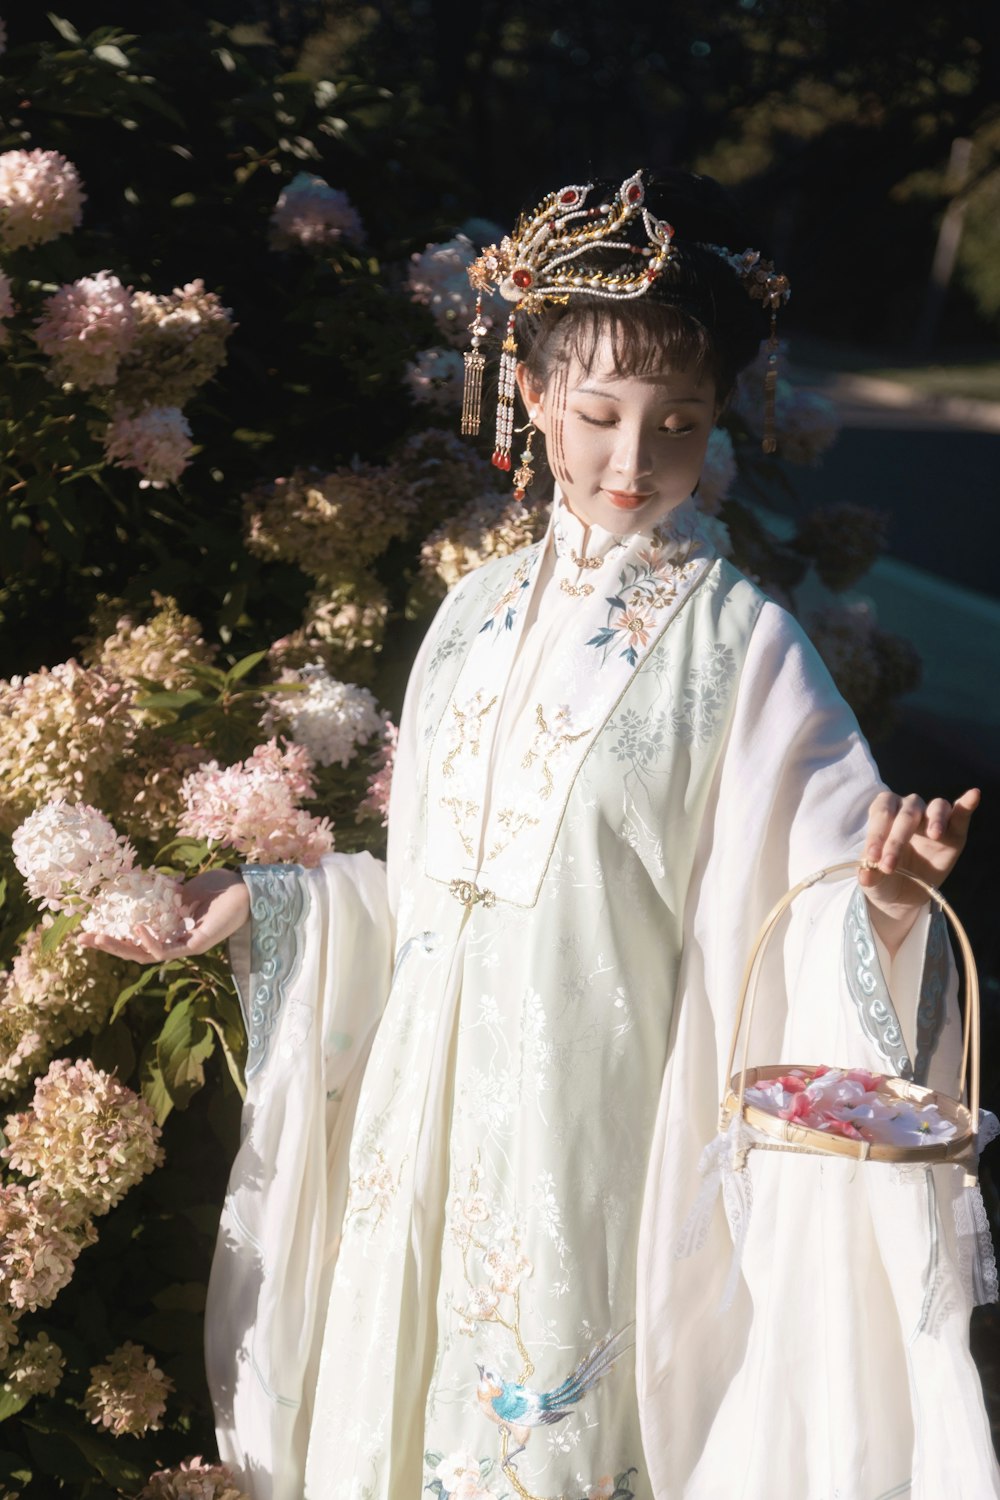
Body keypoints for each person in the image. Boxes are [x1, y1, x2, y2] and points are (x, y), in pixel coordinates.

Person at [87, 169, 998, 1500]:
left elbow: (809, 887)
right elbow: (426, 894)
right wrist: (274, 904)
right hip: (424, 1121)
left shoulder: (744, 649)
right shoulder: (471, 622)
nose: (636, 460)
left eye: (677, 423)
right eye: (601, 413)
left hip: (595, 1127)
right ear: (528, 400)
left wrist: (887, 898)